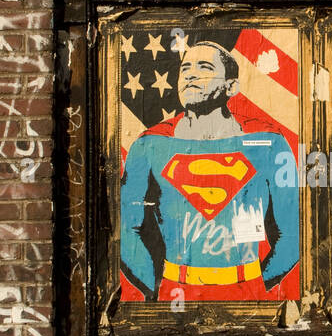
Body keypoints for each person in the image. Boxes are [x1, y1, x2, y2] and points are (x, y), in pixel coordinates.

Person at [120, 40, 298, 301]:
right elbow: (127, 229)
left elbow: (292, 232)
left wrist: (257, 282)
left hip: (247, 294)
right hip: (174, 293)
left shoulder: (268, 141)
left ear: (231, 86)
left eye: (204, 67)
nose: (190, 74)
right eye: (185, 69)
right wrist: (156, 290)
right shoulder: (149, 144)